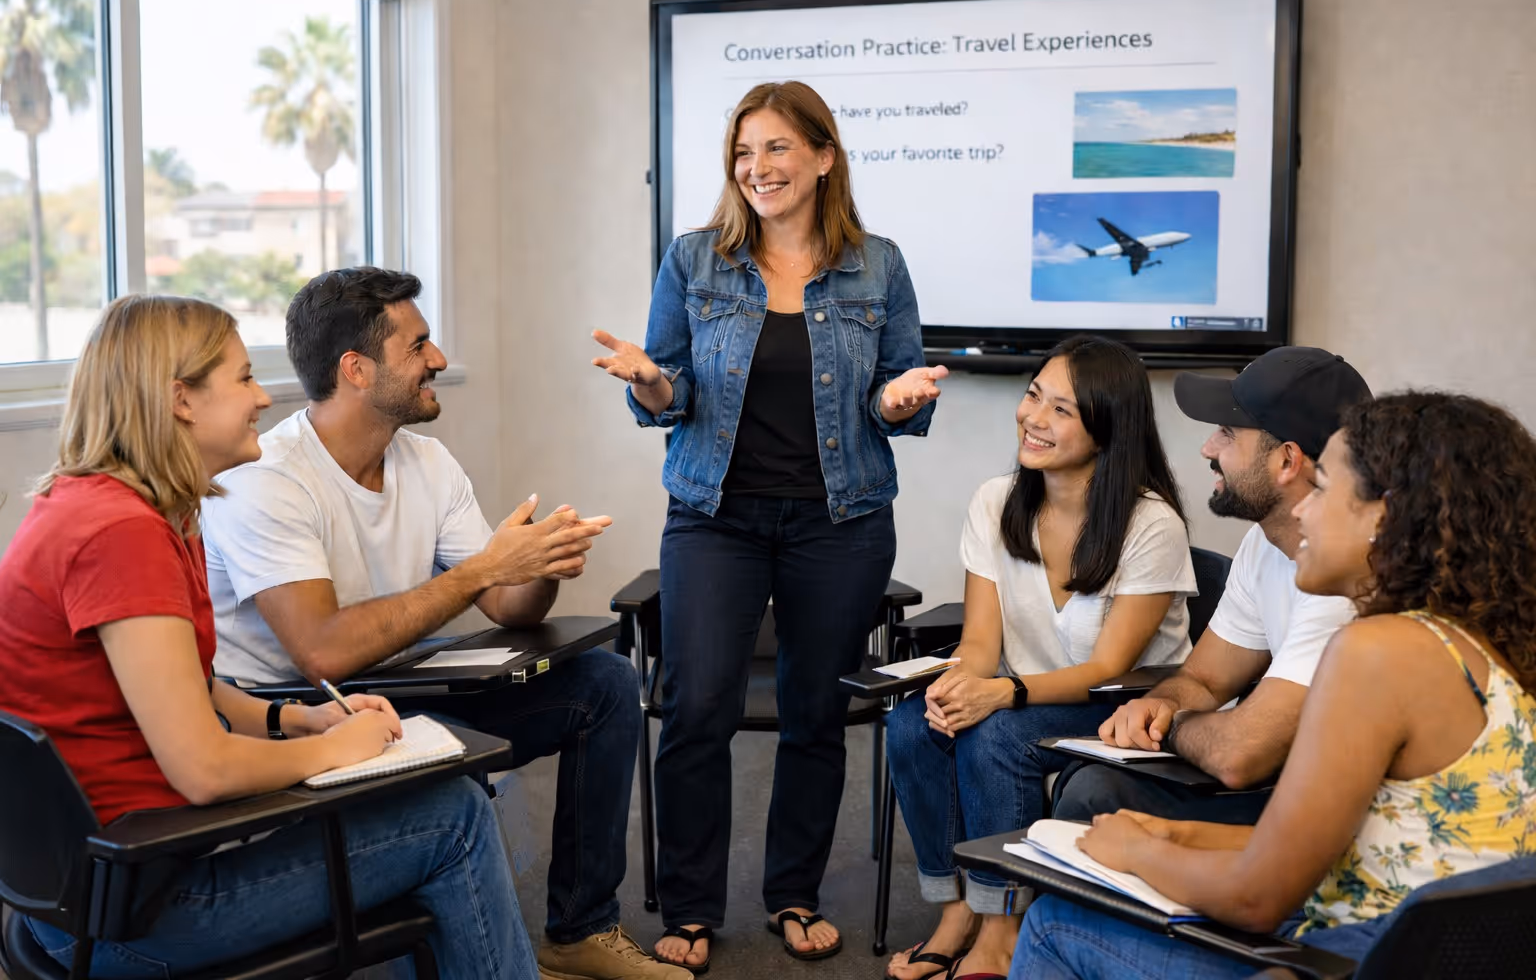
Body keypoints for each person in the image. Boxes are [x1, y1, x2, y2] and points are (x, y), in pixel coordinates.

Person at [0, 295, 537, 979]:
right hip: (140, 907)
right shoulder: (123, 536)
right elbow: (205, 770)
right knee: (453, 818)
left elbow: (188, 682)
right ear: (182, 400)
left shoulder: (104, 505)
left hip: (88, 888)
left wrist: (299, 719)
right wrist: (338, 749)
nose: (263, 396)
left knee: (415, 808)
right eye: (244, 377)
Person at [200, 268, 684, 980]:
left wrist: (538, 561)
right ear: (356, 370)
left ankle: (580, 931)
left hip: (395, 681)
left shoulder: (424, 459)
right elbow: (322, 653)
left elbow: (507, 608)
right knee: (443, 783)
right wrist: (484, 569)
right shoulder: (266, 477)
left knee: (607, 684)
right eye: (418, 344)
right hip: (295, 708)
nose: (438, 359)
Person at [591, 80, 946, 971]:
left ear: (824, 156)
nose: (758, 168)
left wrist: (898, 402)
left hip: (843, 518)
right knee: (698, 704)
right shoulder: (694, 261)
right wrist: (648, 382)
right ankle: (693, 906)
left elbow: (896, 388)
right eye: (744, 153)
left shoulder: (881, 265)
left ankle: (794, 893)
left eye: (778, 148)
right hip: (716, 517)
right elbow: (670, 392)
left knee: (813, 712)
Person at [1010, 390, 1536, 979]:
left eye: (1327, 488)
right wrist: (1170, 832)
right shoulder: (1471, 643)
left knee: (1055, 923)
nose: (1305, 510)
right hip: (1426, 949)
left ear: (1384, 516)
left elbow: (1258, 897)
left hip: (1360, 955)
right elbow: (1348, 849)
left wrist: (1139, 852)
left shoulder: (1380, 653)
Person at [883, 336, 1198, 980]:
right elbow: (979, 646)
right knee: (914, 724)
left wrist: (1004, 693)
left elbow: (1111, 668)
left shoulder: (1150, 523)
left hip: (1123, 714)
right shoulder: (997, 501)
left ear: (1109, 429)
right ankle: (958, 910)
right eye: (1034, 396)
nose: (1034, 418)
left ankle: (1003, 931)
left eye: (1063, 410)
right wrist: (957, 688)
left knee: (995, 736)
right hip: (1029, 697)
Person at [1054, 347, 1368, 826]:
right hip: (1294, 778)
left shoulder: (1346, 580)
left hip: (1339, 814)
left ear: (1287, 460)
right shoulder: (1264, 542)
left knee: (1096, 794)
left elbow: (1241, 755)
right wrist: (1161, 703)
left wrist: (1175, 725)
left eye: (1227, 433)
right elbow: (1205, 680)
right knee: (1092, 777)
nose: (1207, 449)